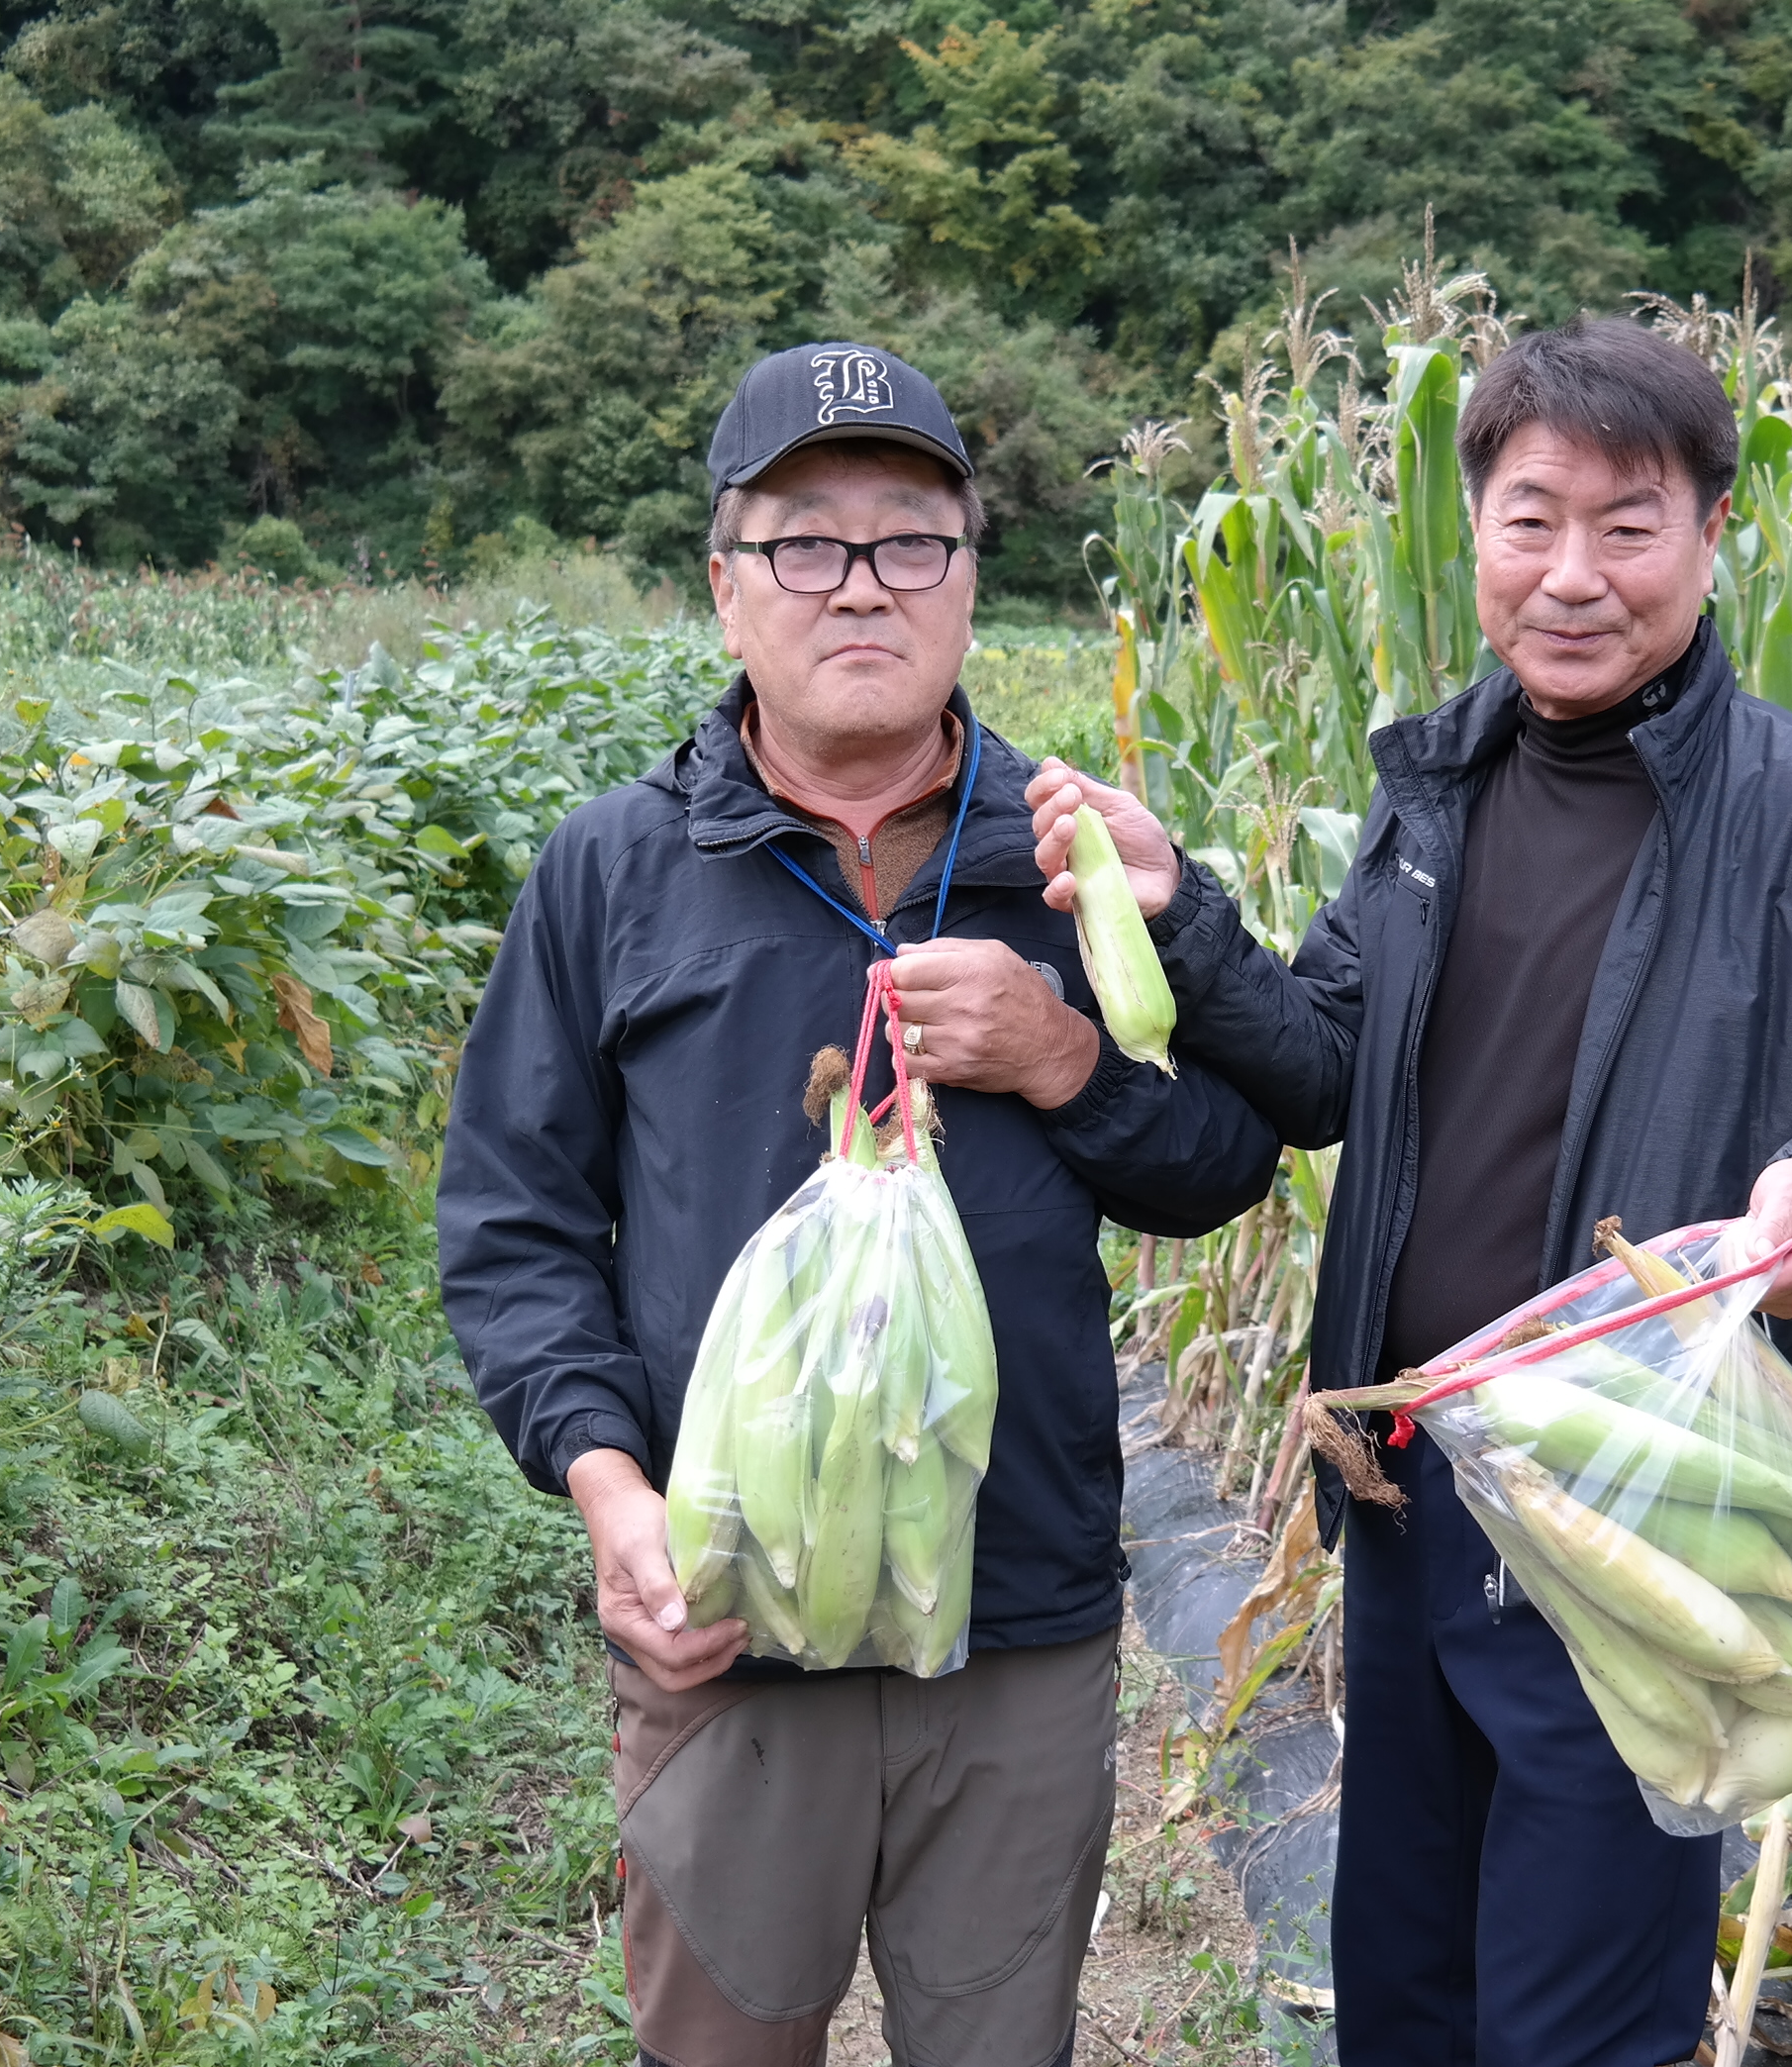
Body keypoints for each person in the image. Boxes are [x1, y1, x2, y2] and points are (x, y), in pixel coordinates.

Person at [1028, 316, 1792, 2066]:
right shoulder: (1433, 797)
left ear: (1711, 536)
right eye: (1530, 520)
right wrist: (1178, 910)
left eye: (1629, 526)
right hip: (1406, 1493)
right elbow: (1325, 1062)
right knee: (1406, 1996)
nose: (1573, 576)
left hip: (1634, 1527)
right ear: (1473, 532)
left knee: (1573, 2025)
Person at [439, 341, 1282, 2067]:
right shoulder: (617, 868)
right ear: (725, 588)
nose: (862, 589)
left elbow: (1222, 1169)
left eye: (913, 542)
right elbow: (517, 1227)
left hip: (1017, 1614)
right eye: (805, 544)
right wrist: (610, 1489)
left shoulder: (1078, 855)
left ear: (974, 582)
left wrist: (1063, 1059)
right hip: (730, 1620)